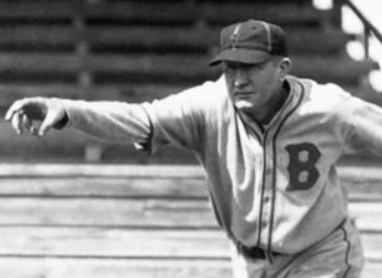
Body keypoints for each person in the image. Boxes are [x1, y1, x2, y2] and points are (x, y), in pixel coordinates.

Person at [6, 18, 378, 277]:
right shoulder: (209, 105)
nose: (237, 79)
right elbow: (141, 118)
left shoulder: (329, 108)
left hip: (321, 254)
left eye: (249, 67)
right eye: (229, 67)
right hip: (248, 261)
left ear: (282, 68)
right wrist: (68, 110)